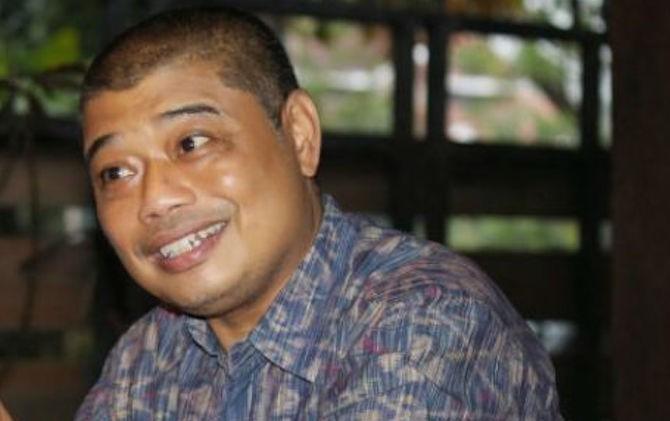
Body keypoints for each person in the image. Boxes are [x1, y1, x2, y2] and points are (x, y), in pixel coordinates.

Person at [75, 6, 562, 420]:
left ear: (300, 135)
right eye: (115, 172)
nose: (155, 199)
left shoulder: (425, 318)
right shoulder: (148, 355)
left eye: (192, 143)